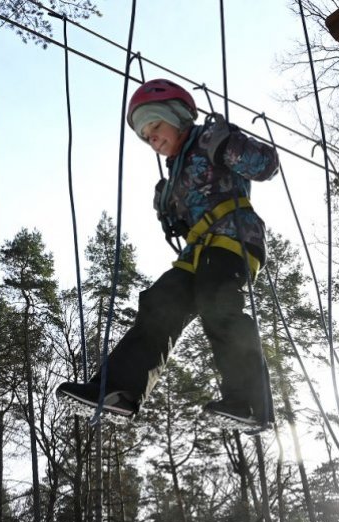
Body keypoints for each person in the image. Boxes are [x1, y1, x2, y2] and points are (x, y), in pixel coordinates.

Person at [56, 78, 279, 429]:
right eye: (146, 135)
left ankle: (250, 402)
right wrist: (170, 210)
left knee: (217, 304)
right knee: (159, 306)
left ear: (177, 116)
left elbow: (265, 165)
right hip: (198, 250)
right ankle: (117, 391)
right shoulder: (173, 173)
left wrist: (229, 144)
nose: (152, 138)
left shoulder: (209, 139)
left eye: (156, 125)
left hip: (233, 237)